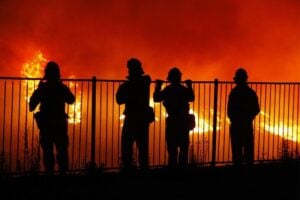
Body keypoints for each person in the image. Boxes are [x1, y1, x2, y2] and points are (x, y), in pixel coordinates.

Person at [29, 61, 75, 175]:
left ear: (47, 75)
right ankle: (63, 176)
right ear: (58, 75)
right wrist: (63, 88)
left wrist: (39, 90)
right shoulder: (61, 88)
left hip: (46, 125)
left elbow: (31, 106)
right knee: (62, 151)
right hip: (59, 124)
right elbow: (71, 100)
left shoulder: (42, 89)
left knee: (48, 152)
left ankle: (50, 176)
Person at [153, 67, 195, 168]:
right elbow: (191, 98)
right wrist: (189, 86)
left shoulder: (168, 90)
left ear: (170, 79)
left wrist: (158, 87)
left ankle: (173, 171)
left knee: (172, 149)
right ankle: (182, 171)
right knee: (183, 148)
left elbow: (156, 98)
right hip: (183, 122)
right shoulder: (183, 89)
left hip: (172, 122)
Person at [116, 58, 152, 171]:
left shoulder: (126, 86)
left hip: (131, 118)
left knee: (127, 147)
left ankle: (128, 170)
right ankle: (143, 171)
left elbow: (119, 100)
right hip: (142, 119)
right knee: (142, 148)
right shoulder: (145, 82)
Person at [227, 68, 260, 166]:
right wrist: (249, 118)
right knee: (248, 150)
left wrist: (234, 118)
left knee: (237, 150)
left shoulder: (234, 92)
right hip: (246, 125)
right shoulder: (250, 92)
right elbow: (256, 109)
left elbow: (229, 110)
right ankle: (248, 173)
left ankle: (238, 172)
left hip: (236, 125)